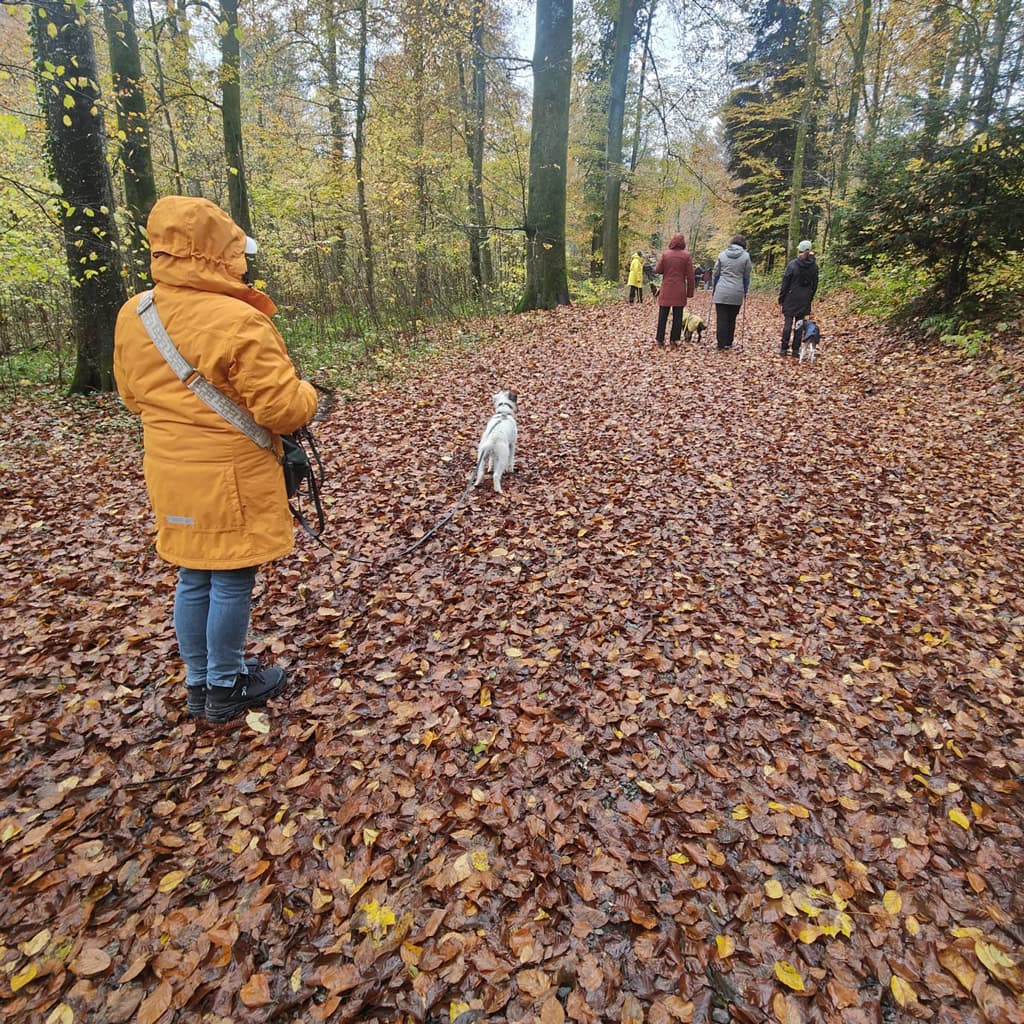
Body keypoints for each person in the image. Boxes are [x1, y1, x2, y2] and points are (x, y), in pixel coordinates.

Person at [114, 196, 318, 723]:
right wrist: (311, 395)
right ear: (221, 254)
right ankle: (226, 687)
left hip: (169, 471)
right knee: (230, 579)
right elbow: (280, 408)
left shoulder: (134, 314)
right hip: (232, 473)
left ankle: (201, 682)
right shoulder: (238, 319)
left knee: (193, 576)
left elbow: (132, 396)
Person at [778, 239, 819, 357]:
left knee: (788, 323)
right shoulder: (814, 266)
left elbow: (785, 283)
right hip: (804, 299)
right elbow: (815, 285)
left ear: (799, 250)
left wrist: (781, 298)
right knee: (799, 324)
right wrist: (810, 297)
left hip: (791, 298)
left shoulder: (792, 265)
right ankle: (796, 350)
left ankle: (784, 348)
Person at [654, 232, 696, 346]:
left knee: (663, 315)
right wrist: (690, 292)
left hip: (666, 288)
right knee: (678, 316)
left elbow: (658, 270)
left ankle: (660, 338)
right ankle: (674, 339)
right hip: (679, 290)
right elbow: (690, 276)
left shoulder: (665, 254)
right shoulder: (686, 256)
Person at [711, 234, 752, 350]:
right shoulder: (746, 257)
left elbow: (716, 273)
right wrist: (745, 291)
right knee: (732, 318)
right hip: (737, 291)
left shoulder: (722, 255)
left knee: (721, 318)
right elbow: (746, 276)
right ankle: (729, 341)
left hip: (721, 290)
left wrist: (714, 288)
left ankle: (721, 343)